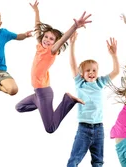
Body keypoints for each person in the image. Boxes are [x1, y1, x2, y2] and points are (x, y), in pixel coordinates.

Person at [57, 31, 120, 167]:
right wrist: (73, 45)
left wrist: (114, 55)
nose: (91, 73)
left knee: (98, 164)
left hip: (99, 129)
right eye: (88, 71)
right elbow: (72, 64)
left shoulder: (100, 83)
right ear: (82, 74)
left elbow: (116, 71)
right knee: (74, 160)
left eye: (94, 70)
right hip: (84, 129)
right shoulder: (80, 84)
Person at [15, 1, 90, 133]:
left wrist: (75, 26)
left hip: (44, 94)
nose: (47, 40)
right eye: (46, 37)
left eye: (51, 39)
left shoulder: (51, 51)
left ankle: (68, 100)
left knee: (50, 128)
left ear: (54, 43)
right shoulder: (40, 46)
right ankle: (40, 106)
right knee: (19, 107)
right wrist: (36, 11)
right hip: (37, 94)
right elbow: (37, 27)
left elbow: (63, 39)